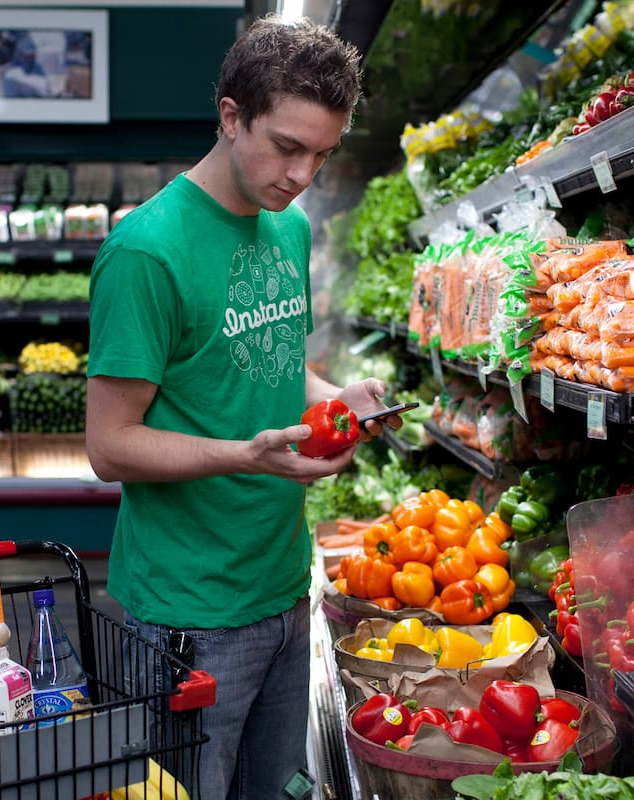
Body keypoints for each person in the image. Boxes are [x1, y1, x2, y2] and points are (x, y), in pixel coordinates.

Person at [85, 15, 399, 800]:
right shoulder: (146, 253)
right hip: (188, 615)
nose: (302, 175)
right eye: (287, 146)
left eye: (321, 154)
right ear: (231, 117)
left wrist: (341, 402)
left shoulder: (285, 229)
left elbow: (266, 362)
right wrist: (244, 454)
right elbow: (110, 445)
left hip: (287, 590)